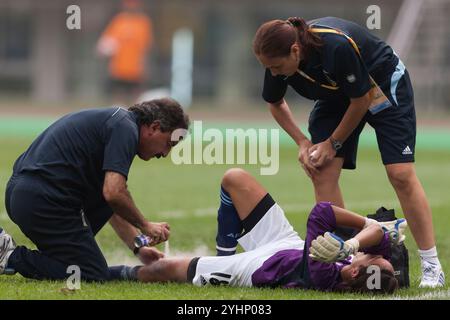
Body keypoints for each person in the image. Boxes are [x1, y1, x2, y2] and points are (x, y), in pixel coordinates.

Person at [252, 16, 444, 288]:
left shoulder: (335, 47)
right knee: (320, 170)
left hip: (381, 84)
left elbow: (362, 99)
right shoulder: (276, 59)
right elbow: (275, 102)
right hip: (339, 96)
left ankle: (432, 265)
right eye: (268, 68)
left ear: (295, 51)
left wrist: (332, 144)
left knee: (400, 174)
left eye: (276, 67)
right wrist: (303, 143)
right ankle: (344, 257)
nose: (273, 73)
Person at [122, 168, 405, 294]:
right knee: (235, 178)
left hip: (255, 267)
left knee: (162, 270)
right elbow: (378, 234)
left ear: (355, 272)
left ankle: (107, 273)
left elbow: (320, 212)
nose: (378, 256)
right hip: (286, 243)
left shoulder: (324, 275)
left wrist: (352, 243)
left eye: (373, 258)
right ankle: (224, 252)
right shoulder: (365, 272)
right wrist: (357, 243)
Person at [0, 98, 189, 281]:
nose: (165, 154)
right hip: (43, 200)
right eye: (169, 144)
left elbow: (109, 200)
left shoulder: (120, 122)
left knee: (107, 199)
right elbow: (114, 192)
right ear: (154, 127)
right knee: (92, 272)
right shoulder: (126, 130)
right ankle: (10, 255)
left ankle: (56, 256)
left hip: (27, 194)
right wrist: (145, 225)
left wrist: (139, 247)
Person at [97, 0, 153, 104]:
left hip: (136, 67)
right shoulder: (119, 21)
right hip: (118, 67)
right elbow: (107, 41)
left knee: (136, 95)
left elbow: (145, 47)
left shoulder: (143, 22)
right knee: (119, 95)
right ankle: (118, 115)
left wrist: (144, 65)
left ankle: (136, 115)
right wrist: (103, 49)